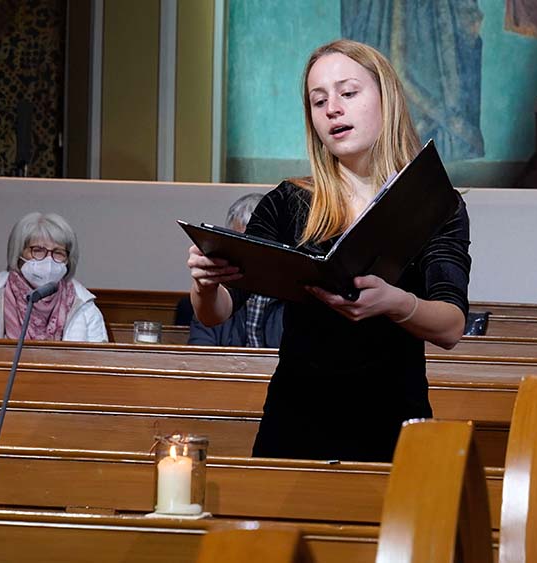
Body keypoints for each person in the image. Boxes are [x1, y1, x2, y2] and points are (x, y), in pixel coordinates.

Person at [186, 39, 471, 462]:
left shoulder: (431, 202)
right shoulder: (288, 201)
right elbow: (218, 311)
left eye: (348, 93)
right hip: (297, 420)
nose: (332, 109)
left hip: (394, 421)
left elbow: (450, 327)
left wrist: (395, 302)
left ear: (386, 98)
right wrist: (206, 285)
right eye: (318, 101)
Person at [0, 212, 108, 342]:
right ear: (19, 253)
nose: (48, 260)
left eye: (58, 252)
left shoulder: (84, 307)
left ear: (68, 260)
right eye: (38, 250)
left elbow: (98, 370)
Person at [185, 193, 284, 347]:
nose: (249, 256)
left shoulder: (292, 295)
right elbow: (200, 354)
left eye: (257, 246)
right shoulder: (216, 294)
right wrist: (203, 288)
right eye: (240, 243)